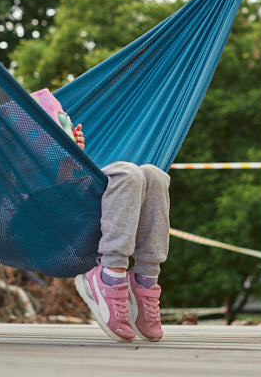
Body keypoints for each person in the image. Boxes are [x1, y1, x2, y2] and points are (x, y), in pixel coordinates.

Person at [29, 89, 168, 343]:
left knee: (155, 175)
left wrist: (71, 154)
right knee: (127, 173)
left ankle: (146, 282)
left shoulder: (57, 159)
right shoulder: (7, 153)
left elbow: (67, 184)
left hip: (87, 211)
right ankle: (109, 277)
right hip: (51, 226)